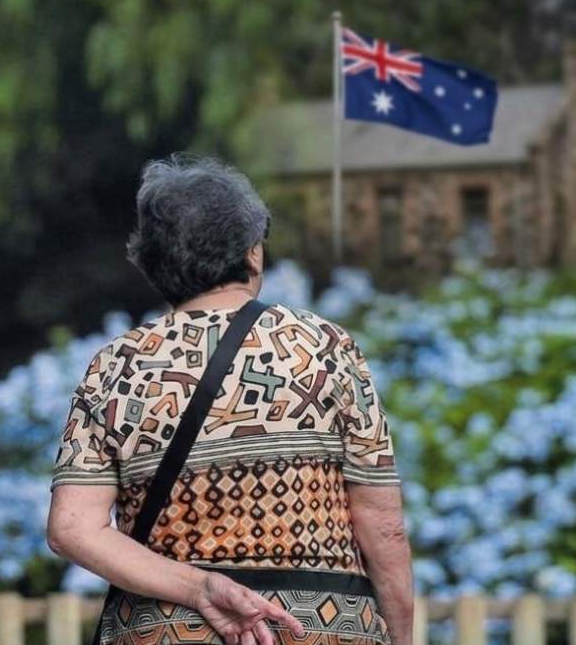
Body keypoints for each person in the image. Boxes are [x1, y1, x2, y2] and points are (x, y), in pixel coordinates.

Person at [47, 157, 413, 645]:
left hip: (168, 631)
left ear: (152, 263)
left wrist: (199, 586)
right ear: (253, 253)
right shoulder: (323, 349)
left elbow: (72, 528)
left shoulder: (117, 365)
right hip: (323, 630)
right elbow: (382, 527)